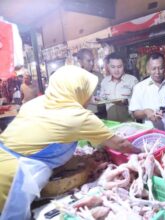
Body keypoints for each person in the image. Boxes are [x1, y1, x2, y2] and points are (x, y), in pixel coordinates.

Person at [0, 65, 137, 219]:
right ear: (77, 91)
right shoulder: (77, 116)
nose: (90, 98)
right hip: (12, 178)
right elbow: (121, 145)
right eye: (88, 92)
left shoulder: (35, 103)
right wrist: (142, 153)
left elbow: (41, 142)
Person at [129, 52, 165, 129]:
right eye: (154, 68)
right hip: (151, 132)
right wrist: (146, 112)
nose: (157, 72)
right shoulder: (139, 87)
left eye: (160, 68)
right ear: (148, 69)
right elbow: (134, 113)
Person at [100, 52, 138, 122]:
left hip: (129, 122)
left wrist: (127, 102)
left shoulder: (132, 80)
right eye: (113, 67)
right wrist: (98, 99)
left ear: (124, 65)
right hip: (112, 123)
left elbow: (139, 102)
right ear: (108, 66)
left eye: (119, 67)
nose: (116, 70)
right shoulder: (104, 82)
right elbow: (102, 99)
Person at [77, 48, 106, 119]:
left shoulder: (99, 76)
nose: (92, 63)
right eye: (89, 61)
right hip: (85, 116)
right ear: (80, 62)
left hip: (102, 113)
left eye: (93, 60)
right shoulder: (75, 78)